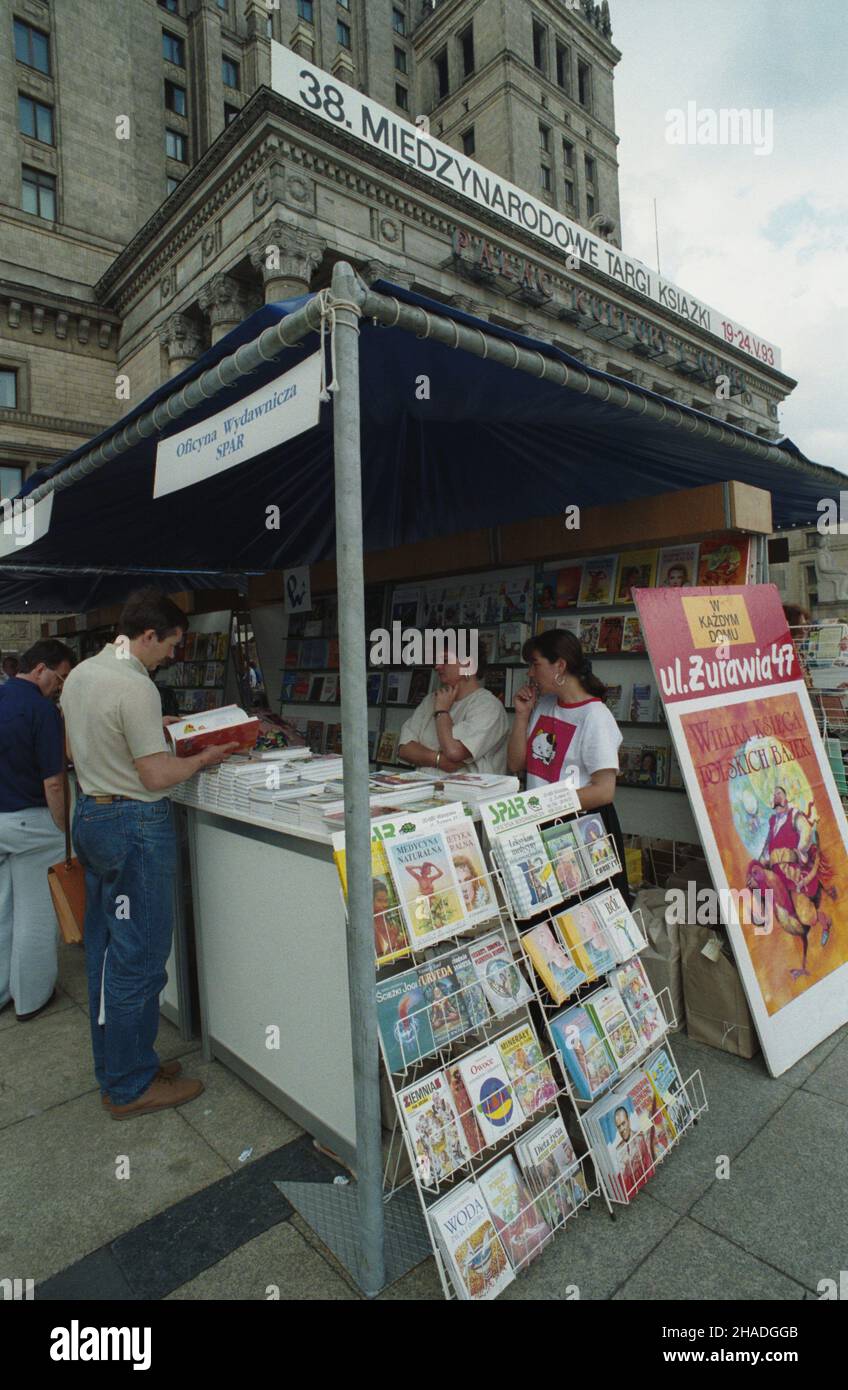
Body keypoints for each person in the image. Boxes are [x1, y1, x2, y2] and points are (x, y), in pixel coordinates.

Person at [61, 589, 238, 1121]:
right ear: (147, 636)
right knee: (138, 958)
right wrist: (205, 756)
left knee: (108, 952)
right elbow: (157, 775)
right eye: (171, 645)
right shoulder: (135, 686)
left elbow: (74, 750)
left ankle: (123, 1063)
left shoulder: (82, 675)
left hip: (91, 813)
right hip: (135, 824)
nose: (173, 656)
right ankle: (129, 1085)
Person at [507, 628, 630, 902]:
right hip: (543, 825)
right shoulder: (546, 705)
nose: (530, 673)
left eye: (536, 664)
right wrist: (522, 717)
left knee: (584, 914)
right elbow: (516, 763)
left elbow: (603, 791)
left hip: (579, 830)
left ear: (559, 665)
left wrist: (545, 804)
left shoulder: (595, 716)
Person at [0, 639, 75, 1019]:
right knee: (36, 913)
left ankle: (2, 992)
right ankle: (31, 997)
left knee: (2, 909)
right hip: (30, 820)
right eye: (59, 678)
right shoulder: (42, 711)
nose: (59, 687)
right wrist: (63, 832)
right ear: (41, 668)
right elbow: (55, 784)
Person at [397, 650, 509, 775]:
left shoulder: (488, 706)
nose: (437, 667)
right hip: (424, 789)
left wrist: (442, 711)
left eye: (445, 660)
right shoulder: (431, 699)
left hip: (468, 793)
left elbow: (454, 752)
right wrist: (438, 759)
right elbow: (404, 749)